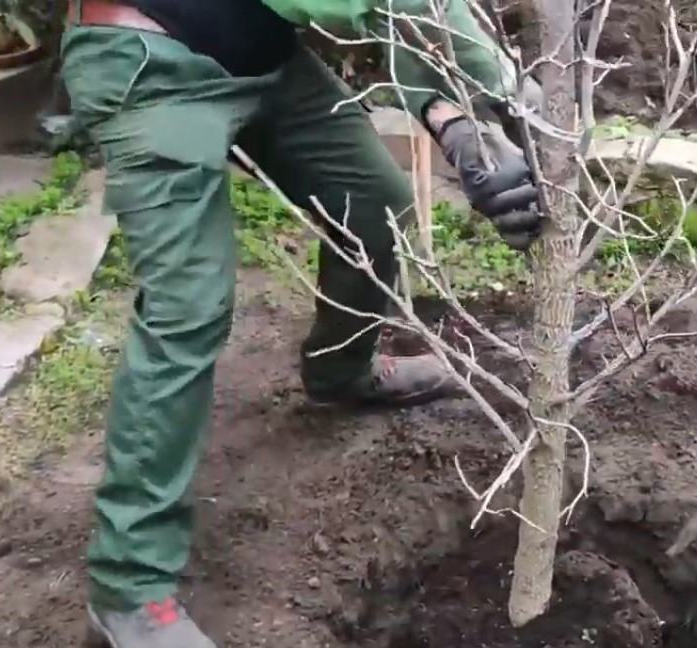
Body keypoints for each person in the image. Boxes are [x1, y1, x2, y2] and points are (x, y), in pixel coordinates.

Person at [59, 0, 541, 643]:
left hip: (263, 56)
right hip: (149, 62)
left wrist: (483, 114)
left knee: (374, 203)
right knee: (187, 306)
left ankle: (342, 370)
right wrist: (458, 112)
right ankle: (128, 590)